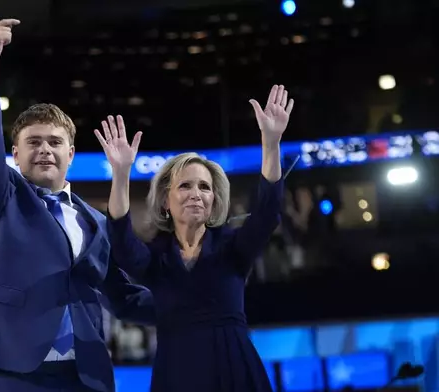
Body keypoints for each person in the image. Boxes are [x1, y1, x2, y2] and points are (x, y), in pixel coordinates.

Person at [0, 19, 156, 392]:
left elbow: (123, 297)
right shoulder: (1, 201)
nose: (45, 149)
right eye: (33, 142)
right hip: (18, 372)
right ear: (15, 155)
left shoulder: (97, 222)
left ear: (71, 154)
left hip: (86, 375)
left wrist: (189, 296)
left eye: (54, 141)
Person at [94, 85, 294, 391]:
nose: (196, 194)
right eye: (185, 186)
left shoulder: (233, 249)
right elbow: (120, 240)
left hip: (234, 369)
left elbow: (267, 213)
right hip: (177, 373)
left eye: (204, 187)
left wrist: (271, 142)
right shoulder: (155, 259)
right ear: (165, 200)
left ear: (214, 199)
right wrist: (120, 173)